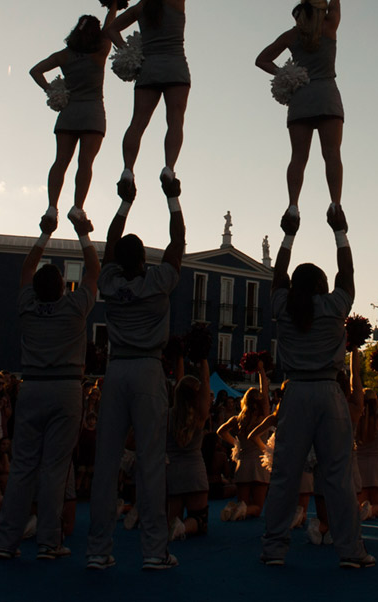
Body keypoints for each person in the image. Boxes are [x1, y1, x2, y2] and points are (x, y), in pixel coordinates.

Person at [259, 206, 374, 569]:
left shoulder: (283, 306)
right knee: (338, 477)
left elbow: (277, 278)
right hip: (329, 394)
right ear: (323, 286)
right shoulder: (335, 305)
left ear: (295, 286)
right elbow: (348, 273)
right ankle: (351, 551)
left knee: (284, 476)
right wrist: (341, 232)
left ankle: (274, 549)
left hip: (295, 394)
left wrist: (287, 236)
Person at [86, 172, 185, 571]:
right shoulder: (159, 281)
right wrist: (172, 199)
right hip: (146, 369)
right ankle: (153, 550)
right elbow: (178, 243)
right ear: (144, 259)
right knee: (150, 461)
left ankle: (96, 549)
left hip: (117, 369)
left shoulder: (109, 283)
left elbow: (109, 247)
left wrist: (124, 205)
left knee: (107, 463)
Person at [0, 211, 98, 560]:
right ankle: (48, 541)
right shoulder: (74, 308)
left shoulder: (27, 307)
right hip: (66, 387)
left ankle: (7, 542)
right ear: (63, 288)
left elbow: (25, 271)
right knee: (55, 467)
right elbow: (94, 272)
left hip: (33, 386)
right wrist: (83, 235)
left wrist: (43, 236)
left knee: (23, 465)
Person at [255, 0, 346, 218]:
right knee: (332, 155)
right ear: (322, 10)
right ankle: (335, 204)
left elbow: (261, 59)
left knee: (298, 157)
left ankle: (293, 205)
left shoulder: (292, 35)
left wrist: (284, 75)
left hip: (301, 100)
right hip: (327, 97)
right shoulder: (330, 26)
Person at [110, 0, 197, 197]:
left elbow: (112, 29)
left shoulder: (142, 6)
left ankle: (128, 169)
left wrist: (128, 52)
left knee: (137, 122)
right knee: (175, 120)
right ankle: (169, 168)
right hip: (176, 68)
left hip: (148, 69)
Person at [29, 9, 118, 233]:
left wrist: (52, 91)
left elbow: (35, 71)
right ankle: (77, 207)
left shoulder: (64, 55)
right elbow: (110, 28)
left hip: (69, 113)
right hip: (93, 113)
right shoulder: (101, 50)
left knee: (60, 161)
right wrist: (113, 6)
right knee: (85, 163)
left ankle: (51, 208)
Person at [166, 353, 212, 541]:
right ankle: (184, 528)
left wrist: (178, 357)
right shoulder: (200, 417)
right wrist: (202, 358)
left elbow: (180, 385)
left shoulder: (167, 416)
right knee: (199, 520)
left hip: (172, 471)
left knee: (171, 518)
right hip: (194, 471)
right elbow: (206, 380)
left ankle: (175, 526)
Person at [217, 369, 272, 521]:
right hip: (259, 464)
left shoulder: (237, 419)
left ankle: (237, 509)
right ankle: (242, 510)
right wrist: (261, 371)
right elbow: (265, 393)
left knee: (243, 502)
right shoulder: (262, 418)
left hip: (242, 464)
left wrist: (235, 443)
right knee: (258, 507)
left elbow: (220, 431)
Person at [355, 352, 378, 520]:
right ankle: (370, 511)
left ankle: (364, 509)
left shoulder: (355, 420)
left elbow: (354, 381)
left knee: (358, 503)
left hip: (359, 466)